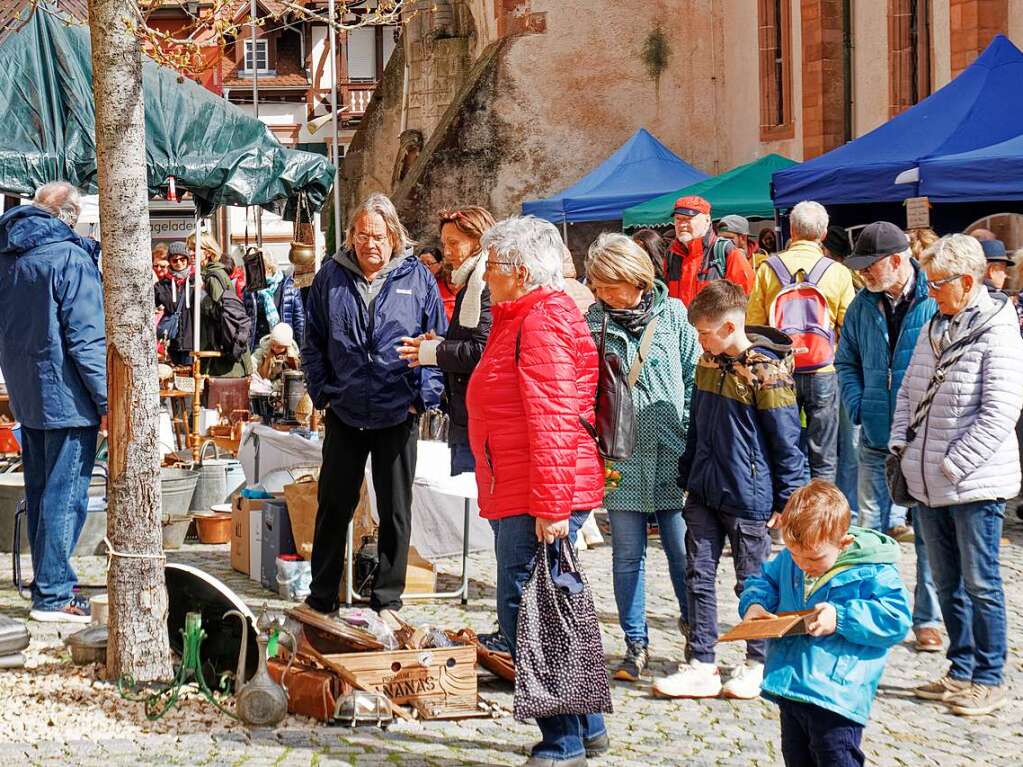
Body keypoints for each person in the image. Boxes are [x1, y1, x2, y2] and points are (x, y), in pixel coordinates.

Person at [465, 215, 607, 767]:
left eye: (491, 266)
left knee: (531, 611)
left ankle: (562, 739)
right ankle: (587, 726)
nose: (485, 276)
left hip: (536, 492)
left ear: (518, 271)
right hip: (524, 484)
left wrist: (550, 506)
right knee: (558, 604)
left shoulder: (540, 321)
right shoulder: (522, 314)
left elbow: (553, 419)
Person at [653, 280, 805, 701]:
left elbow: (786, 440)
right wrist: (687, 474)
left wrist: (788, 498)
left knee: (751, 580)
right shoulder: (707, 361)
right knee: (698, 574)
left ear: (728, 327)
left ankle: (758, 660)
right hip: (703, 489)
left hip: (749, 494)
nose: (699, 340)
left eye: (704, 332)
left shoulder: (766, 372)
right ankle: (702, 660)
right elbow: (698, 424)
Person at [893, 234, 1023, 716]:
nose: (930, 291)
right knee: (946, 581)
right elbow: (909, 388)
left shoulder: (998, 330)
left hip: (973, 483)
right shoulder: (935, 324)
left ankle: (989, 676)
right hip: (927, 481)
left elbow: (1000, 411)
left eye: (937, 283)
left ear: (967, 282)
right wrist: (901, 445)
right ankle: (961, 667)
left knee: (981, 581)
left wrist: (953, 465)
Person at [302, 193, 447, 620]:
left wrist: (423, 398)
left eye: (379, 236)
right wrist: (322, 392)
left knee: (395, 510)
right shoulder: (331, 277)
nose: (371, 244)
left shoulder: (417, 278)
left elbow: (435, 342)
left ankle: (388, 599)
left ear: (394, 236)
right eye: (363, 235)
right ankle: (321, 596)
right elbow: (313, 342)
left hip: (396, 410)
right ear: (351, 236)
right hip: (346, 410)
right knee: (333, 507)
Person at [584, 233, 699, 682]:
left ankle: (696, 635)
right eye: (597, 285)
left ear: (634, 278)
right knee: (626, 555)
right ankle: (636, 645)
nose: (602, 294)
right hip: (621, 456)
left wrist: (688, 432)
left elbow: (691, 377)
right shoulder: (594, 323)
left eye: (609, 284)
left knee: (682, 553)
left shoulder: (672, 315)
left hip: (672, 453)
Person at [739, 480, 912, 767]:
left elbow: (896, 619)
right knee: (796, 758)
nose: (803, 564)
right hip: (791, 684)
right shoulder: (793, 558)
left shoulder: (873, 569)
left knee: (836, 757)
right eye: (795, 555)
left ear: (843, 543)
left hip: (837, 695)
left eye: (814, 558)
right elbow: (763, 580)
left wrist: (840, 617)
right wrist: (756, 604)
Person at [835, 221, 942, 653]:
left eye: (869, 266)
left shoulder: (934, 300)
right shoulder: (863, 305)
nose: (863, 274)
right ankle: (875, 609)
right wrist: (859, 404)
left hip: (924, 438)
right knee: (870, 528)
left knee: (929, 533)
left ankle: (928, 619)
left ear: (896, 261)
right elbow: (846, 362)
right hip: (877, 435)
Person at [0, 181, 104, 622]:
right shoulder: (68, 257)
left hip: (28, 388)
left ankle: (50, 582)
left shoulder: (10, 257)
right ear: (68, 215)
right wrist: (107, 400)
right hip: (66, 393)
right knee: (65, 494)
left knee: (44, 491)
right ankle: (54, 592)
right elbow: (86, 338)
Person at [747, 200, 856, 483]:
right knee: (824, 452)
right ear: (823, 233)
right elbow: (850, 326)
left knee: (785, 447)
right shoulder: (838, 272)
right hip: (822, 368)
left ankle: (789, 514)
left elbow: (755, 326)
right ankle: (823, 518)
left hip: (780, 371)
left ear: (791, 230)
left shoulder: (768, 269)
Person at [398, 206, 495, 476]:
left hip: (477, 414)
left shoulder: (484, 285)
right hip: (466, 410)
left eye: (454, 243)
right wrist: (441, 342)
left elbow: (481, 351)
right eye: (444, 244)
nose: (448, 251)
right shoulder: (471, 283)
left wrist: (434, 351)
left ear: (479, 242)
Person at [179, 231, 252, 378]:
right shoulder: (209, 274)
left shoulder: (213, 277)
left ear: (207, 252)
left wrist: (202, 295)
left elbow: (221, 312)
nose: (190, 253)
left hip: (222, 360)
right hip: (218, 356)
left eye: (194, 249)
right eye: (189, 249)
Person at [663, 195, 754, 305]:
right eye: (678, 219)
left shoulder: (727, 251)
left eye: (688, 219)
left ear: (707, 220)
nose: (682, 224)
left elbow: (745, 299)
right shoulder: (671, 255)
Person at [243, 251, 305, 350]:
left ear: (269, 268)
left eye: (257, 269)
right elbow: (246, 320)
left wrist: (301, 349)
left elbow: (299, 320)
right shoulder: (250, 291)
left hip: (284, 344)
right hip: (260, 346)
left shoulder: (289, 286)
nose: (254, 273)